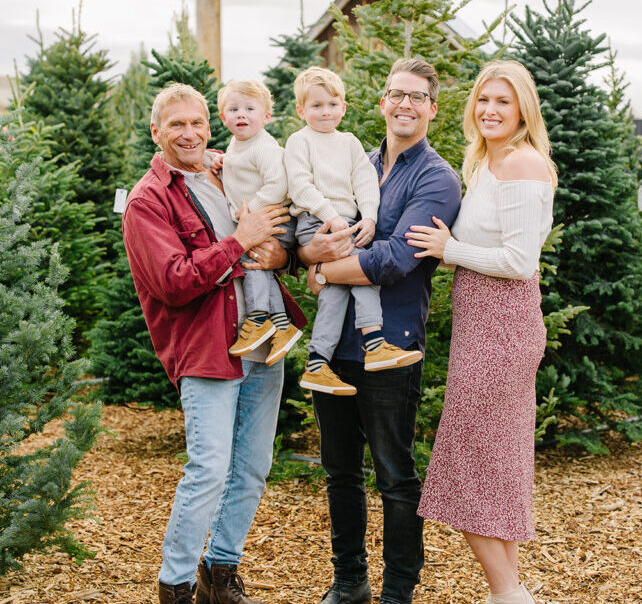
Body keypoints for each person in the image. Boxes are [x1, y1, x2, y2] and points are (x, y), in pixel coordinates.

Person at [122, 82, 306, 604]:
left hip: (261, 337)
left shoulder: (229, 169)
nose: (189, 133)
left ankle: (219, 574)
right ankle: (175, 584)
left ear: (211, 124)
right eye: (176, 124)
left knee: (252, 466)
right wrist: (239, 240)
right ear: (156, 132)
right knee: (208, 467)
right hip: (207, 348)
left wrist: (281, 257)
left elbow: (276, 239)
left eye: (197, 122)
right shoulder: (147, 201)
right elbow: (174, 281)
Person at [301, 59, 462, 604]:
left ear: (432, 109)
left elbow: (397, 258)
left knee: (394, 473)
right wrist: (311, 256)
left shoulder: (437, 177)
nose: (405, 105)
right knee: (339, 471)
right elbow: (310, 226)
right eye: (396, 94)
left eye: (417, 97)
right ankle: (349, 581)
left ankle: (397, 591)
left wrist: (323, 269)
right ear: (381, 102)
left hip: (391, 346)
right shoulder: (357, 161)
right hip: (334, 348)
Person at [406, 60, 557, 604]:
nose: (490, 110)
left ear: (522, 111)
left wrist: (451, 250)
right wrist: (454, 247)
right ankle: (507, 595)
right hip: (481, 325)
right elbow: (488, 246)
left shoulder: (520, 164)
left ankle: (511, 595)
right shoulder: (487, 162)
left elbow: (519, 261)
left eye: (503, 102)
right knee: (492, 469)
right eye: (484, 100)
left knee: (466, 467)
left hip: (504, 328)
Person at [286, 66, 423, 396]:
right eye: (316, 106)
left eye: (332, 104)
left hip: (348, 221)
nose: (325, 112)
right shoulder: (299, 141)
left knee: (336, 290)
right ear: (301, 110)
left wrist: (371, 218)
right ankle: (374, 342)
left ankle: (318, 362)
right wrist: (331, 217)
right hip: (315, 221)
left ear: (343, 107)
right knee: (364, 268)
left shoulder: (348, 143)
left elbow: (365, 182)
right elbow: (301, 187)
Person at [216, 79, 302, 365]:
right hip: (259, 219)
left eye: (250, 108)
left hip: (277, 219)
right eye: (234, 108)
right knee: (258, 262)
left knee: (251, 259)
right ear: (222, 116)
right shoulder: (235, 145)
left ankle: (257, 319)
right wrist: (220, 163)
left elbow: (278, 186)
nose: (241, 114)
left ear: (266, 117)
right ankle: (281, 325)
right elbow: (236, 167)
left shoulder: (264, 147)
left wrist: (249, 211)